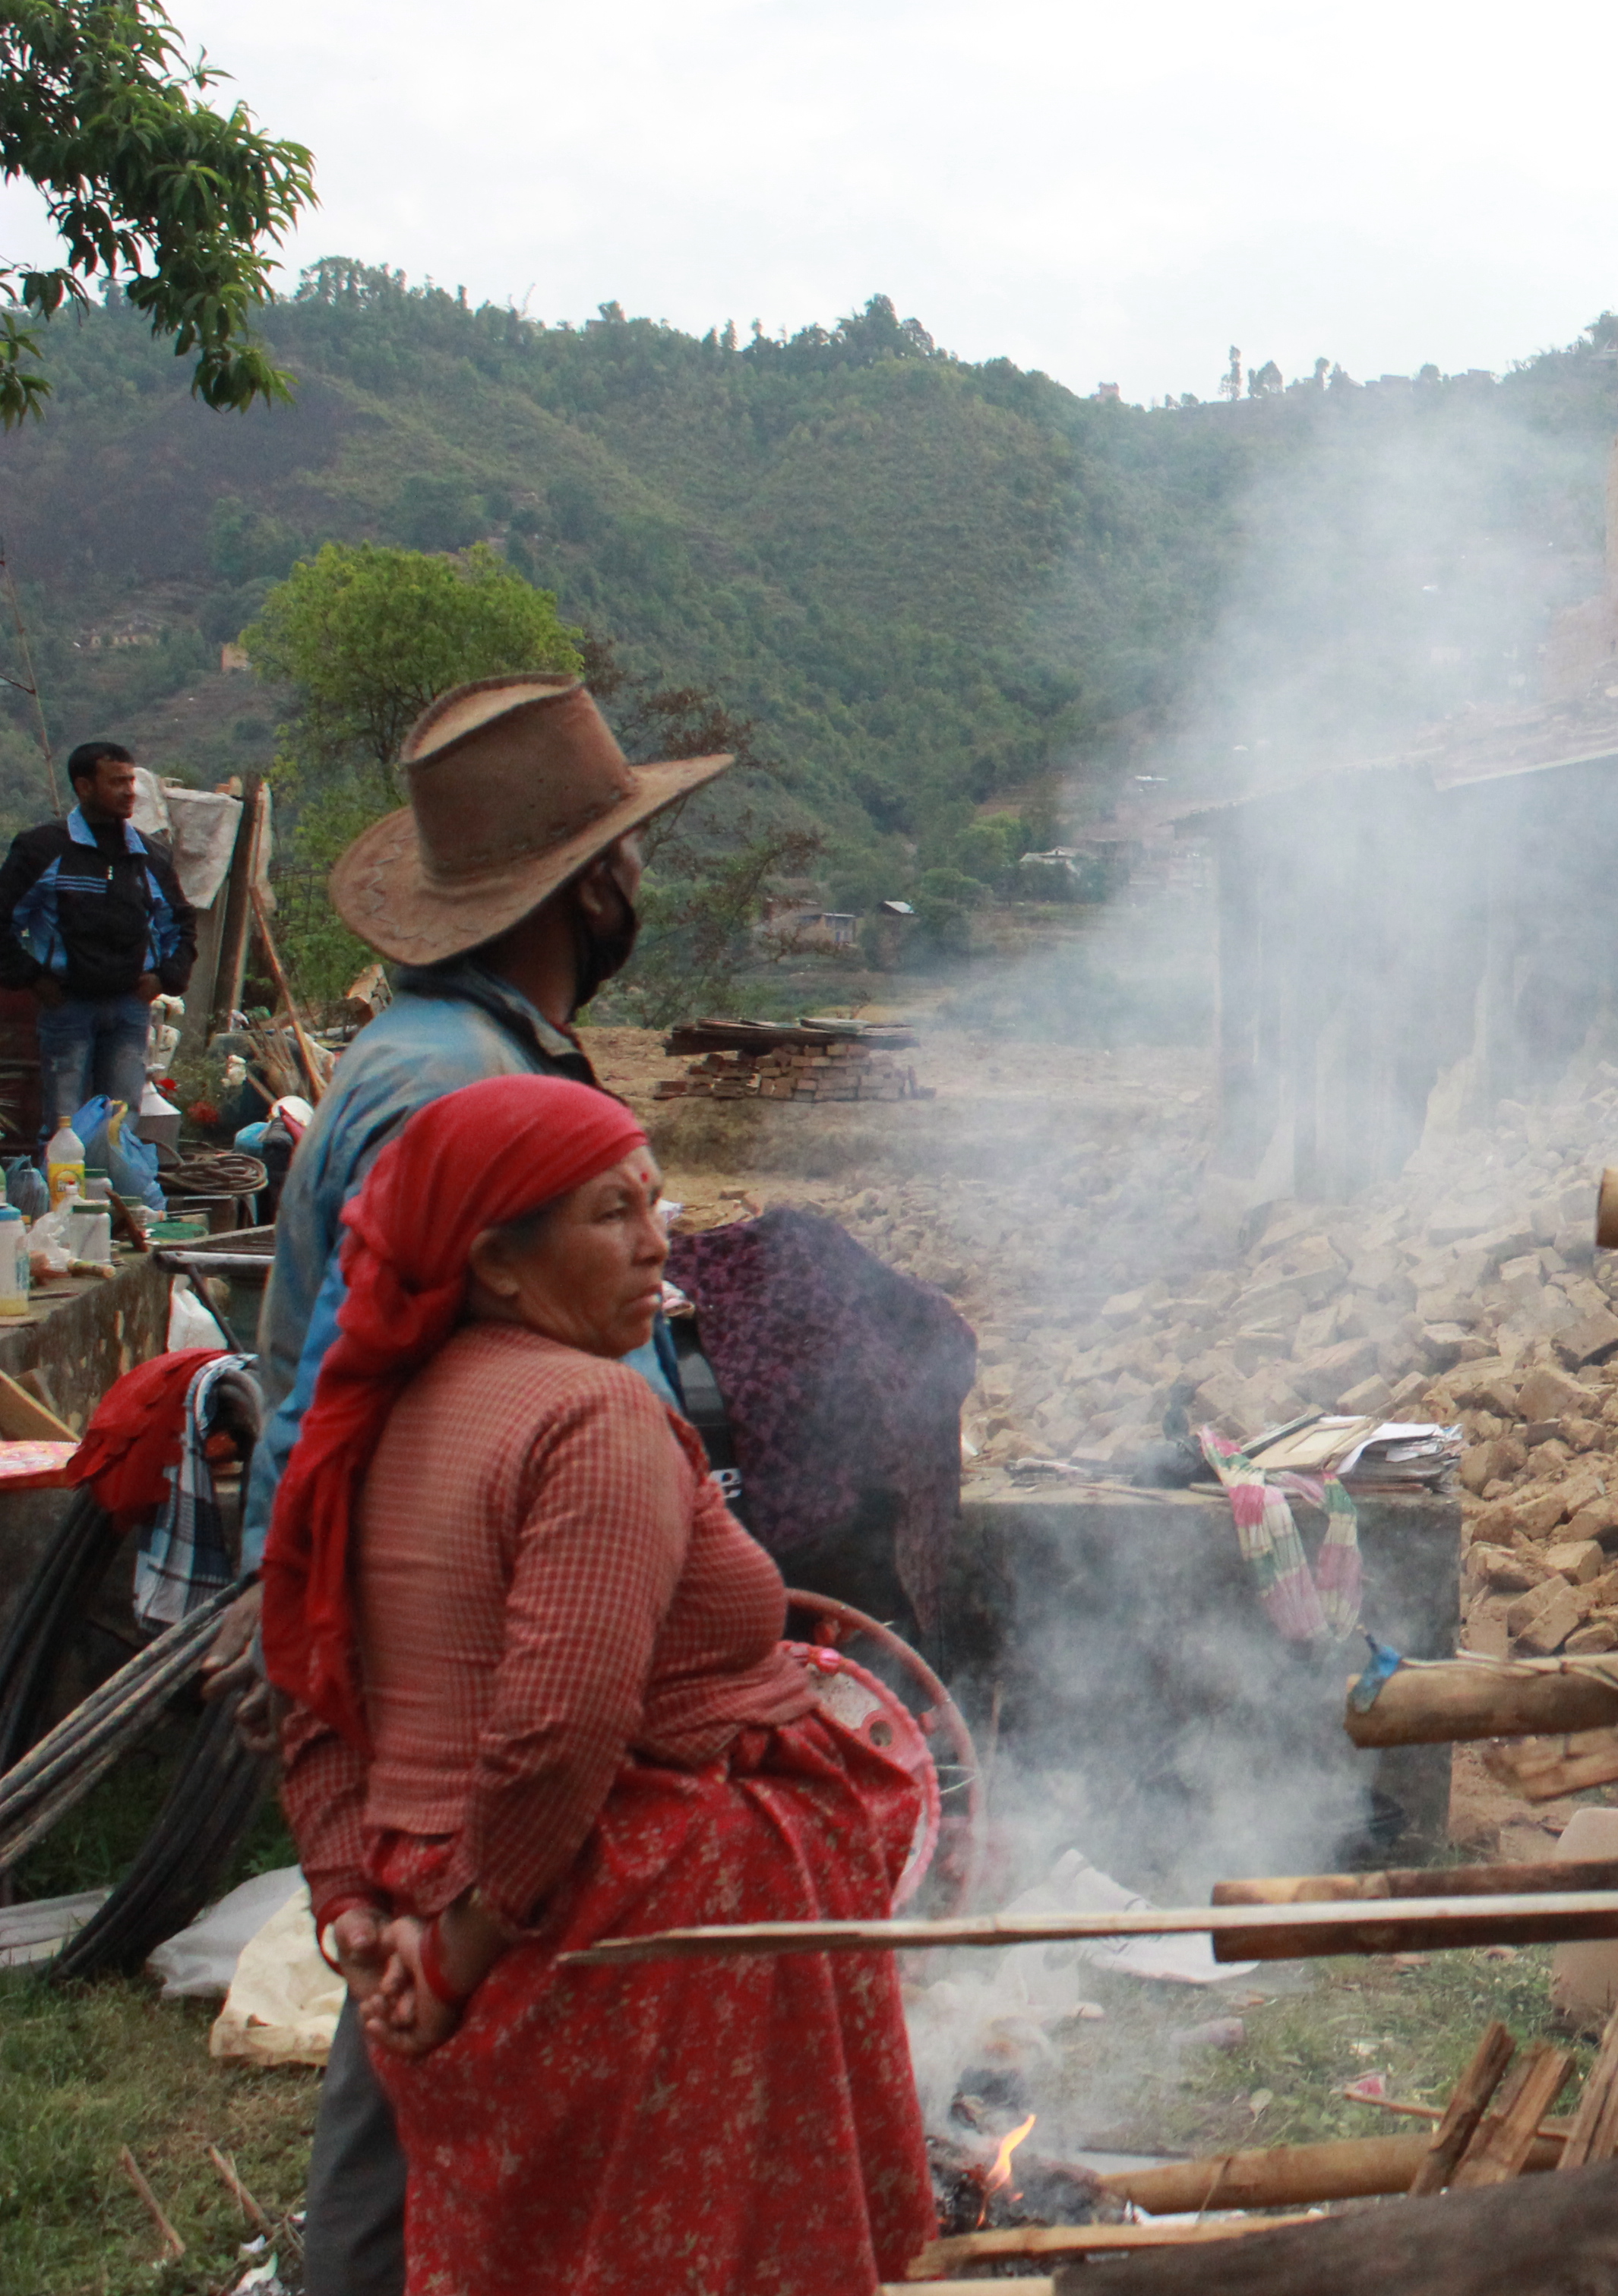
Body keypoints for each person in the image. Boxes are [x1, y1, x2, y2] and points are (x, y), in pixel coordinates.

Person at [213, 674, 731, 2296]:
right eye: (626, 856)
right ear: (590, 883)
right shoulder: (460, 1095)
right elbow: (533, 1424)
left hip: (421, 1644)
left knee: (431, 2050)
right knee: (446, 2031)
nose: (638, 884)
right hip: (487, 1659)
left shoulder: (435, 1055)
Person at [265, 1073, 937, 2294]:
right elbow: (557, 1730)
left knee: (533, 2256)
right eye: (608, 1216)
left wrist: (357, 1912)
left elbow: (315, 1693)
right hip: (621, 1937)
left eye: (653, 1202)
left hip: (452, 1892)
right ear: (499, 1265)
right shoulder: (593, 1419)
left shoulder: (384, 1415)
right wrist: (462, 1948)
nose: (657, 1242)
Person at [0, 740, 198, 1132]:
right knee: (64, 1126)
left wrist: (165, 978)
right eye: (116, 782)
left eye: (131, 781)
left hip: (129, 1010)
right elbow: (4, 919)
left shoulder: (148, 855)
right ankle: (61, 1193)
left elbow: (179, 923)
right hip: (67, 1008)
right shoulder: (44, 849)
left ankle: (116, 1194)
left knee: (120, 1126)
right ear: (84, 786)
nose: (129, 791)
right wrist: (33, 978)